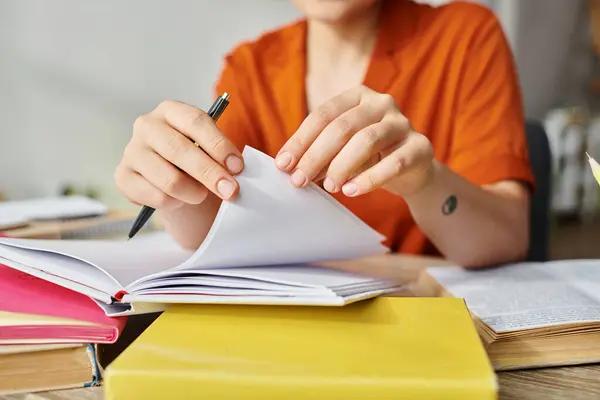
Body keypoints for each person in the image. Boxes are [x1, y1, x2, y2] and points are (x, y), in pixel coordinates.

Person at [115, 0, 534, 268]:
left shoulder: (466, 36)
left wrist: (425, 182)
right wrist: (170, 185)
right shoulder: (250, 67)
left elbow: (506, 238)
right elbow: (212, 226)